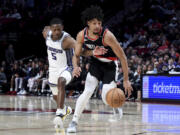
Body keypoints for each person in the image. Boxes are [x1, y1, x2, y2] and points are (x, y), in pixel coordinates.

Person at [67, 6, 133, 133]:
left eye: (99, 23)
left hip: (110, 65)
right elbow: (77, 54)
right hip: (96, 64)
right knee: (87, 92)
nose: (97, 26)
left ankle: (115, 105)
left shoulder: (108, 36)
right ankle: (74, 121)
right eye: (94, 23)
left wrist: (126, 80)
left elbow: (123, 57)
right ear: (88, 23)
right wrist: (77, 66)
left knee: (105, 97)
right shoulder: (82, 35)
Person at [42, 17, 106, 129]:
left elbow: (81, 51)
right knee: (55, 96)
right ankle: (65, 109)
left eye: (59, 29)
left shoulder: (67, 40)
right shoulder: (46, 34)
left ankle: (60, 112)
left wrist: (93, 52)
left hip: (67, 67)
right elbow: (45, 29)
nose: (57, 32)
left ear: (62, 29)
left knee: (61, 81)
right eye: (54, 29)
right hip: (52, 69)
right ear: (51, 29)